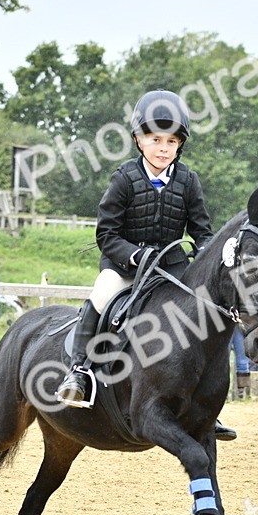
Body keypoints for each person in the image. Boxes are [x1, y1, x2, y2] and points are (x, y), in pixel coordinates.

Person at [55, 90, 236, 439]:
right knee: (102, 293)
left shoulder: (188, 180)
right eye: (155, 139)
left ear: (179, 144)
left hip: (171, 268)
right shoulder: (123, 178)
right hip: (125, 266)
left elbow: (202, 231)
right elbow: (106, 233)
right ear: (139, 140)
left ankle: (207, 406)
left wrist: (205, 253)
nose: (163, 147)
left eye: (171, 140)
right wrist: (134, 255)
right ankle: (78, 372)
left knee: (206, 312)